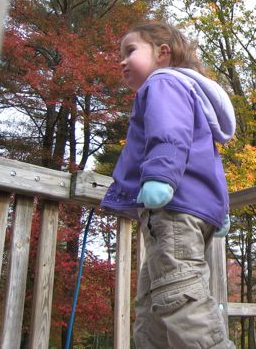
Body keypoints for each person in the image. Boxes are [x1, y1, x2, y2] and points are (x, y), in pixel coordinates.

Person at [101, 21, 236, 348]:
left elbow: (169, 134)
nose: (121, 61)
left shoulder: (162, 83)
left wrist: (160, 177)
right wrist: (221, 210)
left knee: (179, 298)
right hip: (190, 210)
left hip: (173, 209)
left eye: (130, 51)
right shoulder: (188, 94)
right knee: (156, 303)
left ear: (163, 54)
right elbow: (207, 159)